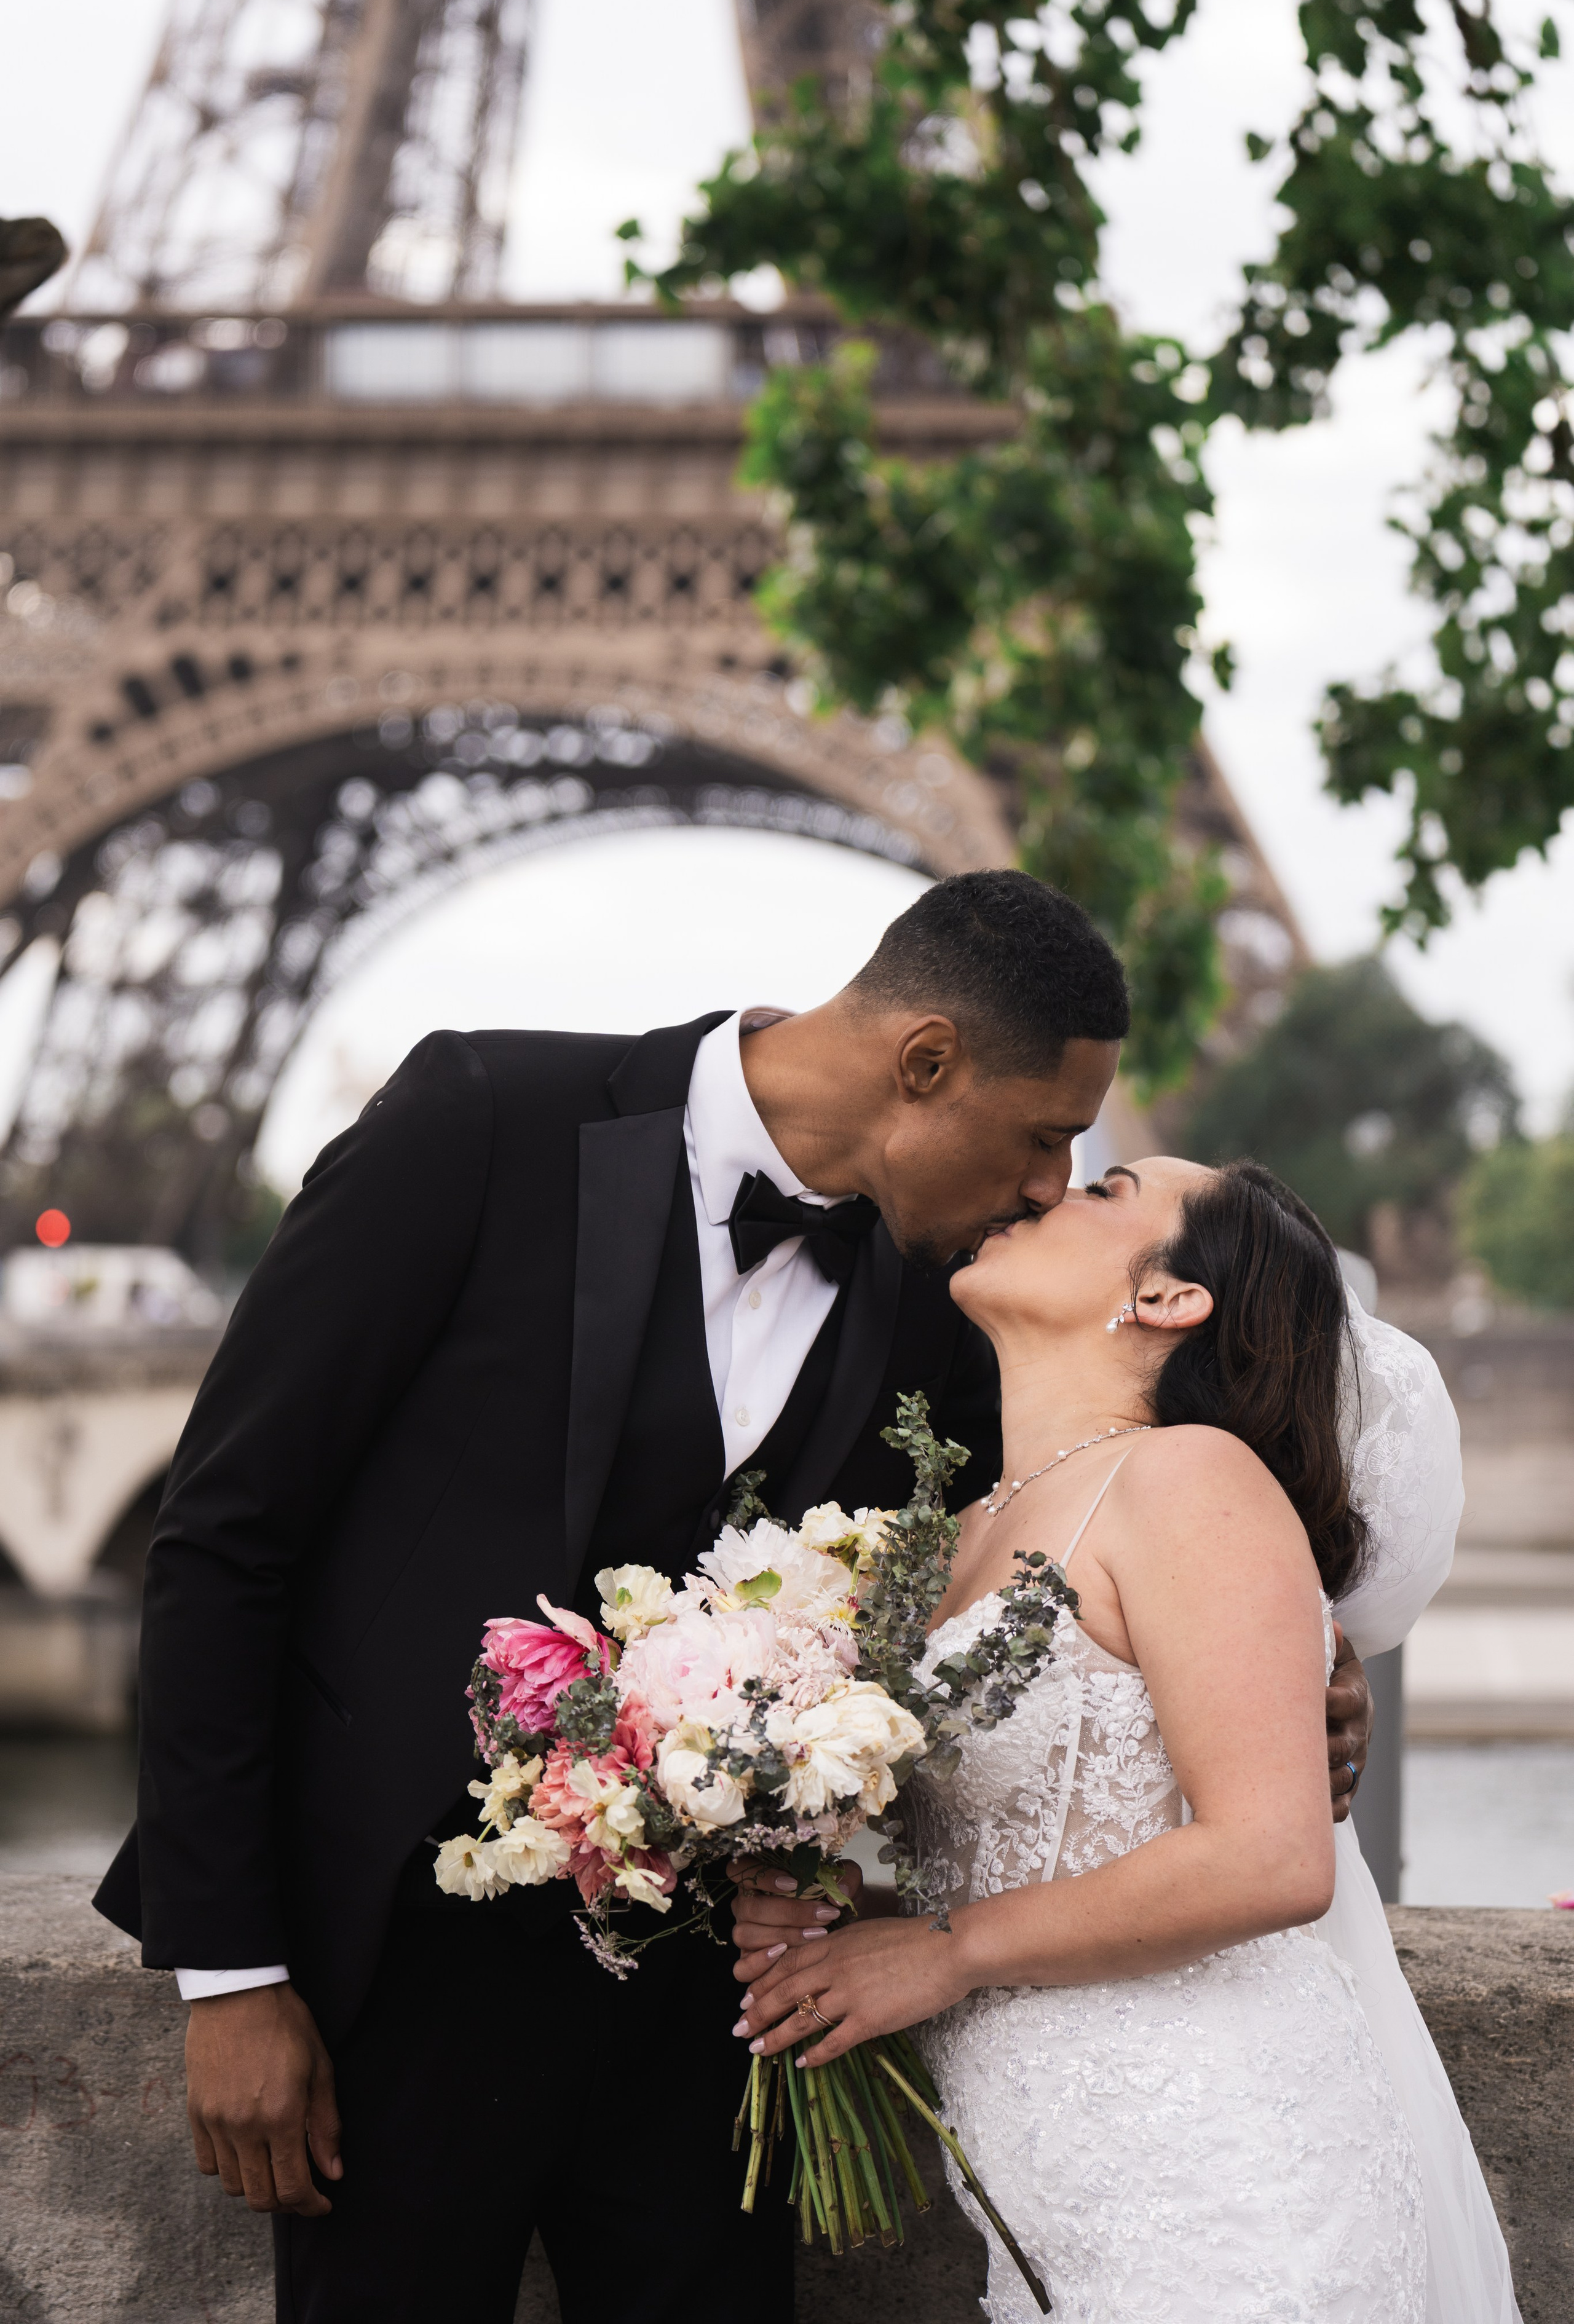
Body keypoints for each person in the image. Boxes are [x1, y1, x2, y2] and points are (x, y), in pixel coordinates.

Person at [95, 870, 1213, 2324]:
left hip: (717, 2017)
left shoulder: (940, 1295)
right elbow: (225, 1537)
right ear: (922, 1062)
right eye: (1042, 1135)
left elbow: (1091, 1485)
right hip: (392, 1976)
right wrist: (230, 1975)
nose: (1049, 1187)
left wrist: (1303, 1632)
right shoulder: (479, 1120)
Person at [734, 1156, 1521, 2322]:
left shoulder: (1191, 1479)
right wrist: (847, 1920)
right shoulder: (940, 1541)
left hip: (1232, 2185)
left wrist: (941, 1952)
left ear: (1169, 1298)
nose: (1044, 1192)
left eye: (1106, 1190)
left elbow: (1272, 1857)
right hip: (1057, 2211)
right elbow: (1037, 1858)